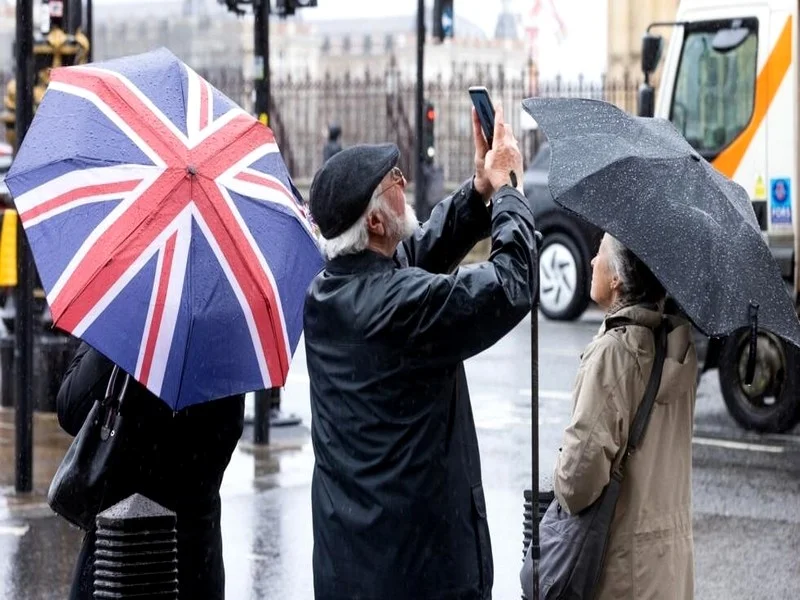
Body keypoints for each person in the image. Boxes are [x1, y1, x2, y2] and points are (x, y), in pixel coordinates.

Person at [304, 106, 538, 600]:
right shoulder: (399, 306)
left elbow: (412, 255)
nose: (404, 179)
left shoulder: (327, 295)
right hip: (418, 573)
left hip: (353, 567)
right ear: (373, 220)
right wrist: (510, 194)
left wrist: (478, 193)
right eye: (392, 178)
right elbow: (511, 284)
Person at [548, 232, 697, 599]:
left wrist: (559, 466)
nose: (592, 263)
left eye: (599, 254)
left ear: (616, 279)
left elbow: (576, 484)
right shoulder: (675, 348)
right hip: (669, 566)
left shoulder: (615, 355)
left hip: (623, 569)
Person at [58, 343, 244, 600]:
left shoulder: (136, 330)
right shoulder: (224, 337)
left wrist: (103, 338)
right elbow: (227, 434)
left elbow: (70, 406)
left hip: (119, 554)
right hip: (196, 553)